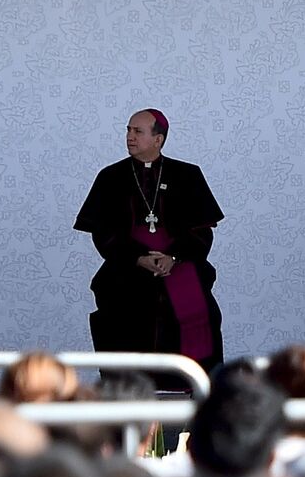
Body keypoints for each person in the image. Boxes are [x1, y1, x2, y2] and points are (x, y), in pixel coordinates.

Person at [73, 110, 225, 369]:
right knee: (120, 315)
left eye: (138, 131)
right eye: (128, 130)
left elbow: (201, 232)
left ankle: (190, 382)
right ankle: (128, 386)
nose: (130, 137)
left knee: (197, 313)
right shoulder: (111, 177)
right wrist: (138, 257)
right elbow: (103, 233)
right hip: (127, 266)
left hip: (179, 265)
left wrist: (173, 257)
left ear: (158, 139)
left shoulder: (188, 175)